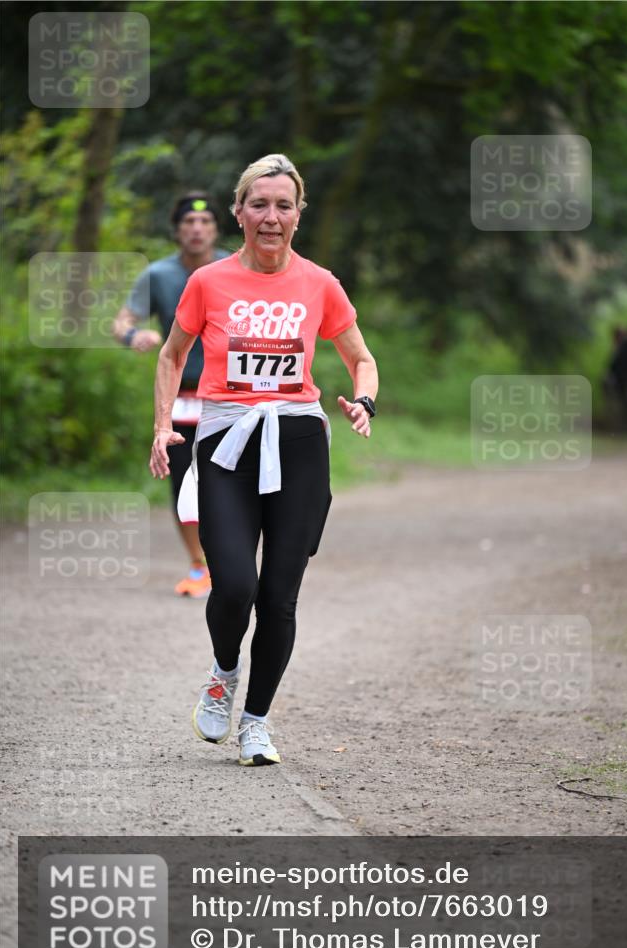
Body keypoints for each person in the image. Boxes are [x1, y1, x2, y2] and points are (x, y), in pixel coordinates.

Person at [149, 153, 379, 765]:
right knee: (235, 586)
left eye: (283, 206)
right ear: (239, 212)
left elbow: (361, 358)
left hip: (299, 443)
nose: (271, 217)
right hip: (226, 443)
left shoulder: (320, 283)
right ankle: (225, 672)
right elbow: (172, 355)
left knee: (279, 597)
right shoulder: (209, 281)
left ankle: (256, 722)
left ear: (298, 215)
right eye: (259, 205)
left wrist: (363, 402)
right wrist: (161, 425)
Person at [113, 192, 231, 597]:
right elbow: (121, 321)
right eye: (188, 224)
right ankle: (200, 567)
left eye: (205, 223)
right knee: (185, 483)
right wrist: (135, 334)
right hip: (182, 394)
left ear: (216, 229)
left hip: (232, 395)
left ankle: (232, 560)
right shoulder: (159, 275)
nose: (196, 230)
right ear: (178, 231)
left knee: (237, 479)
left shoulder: (235, 268)